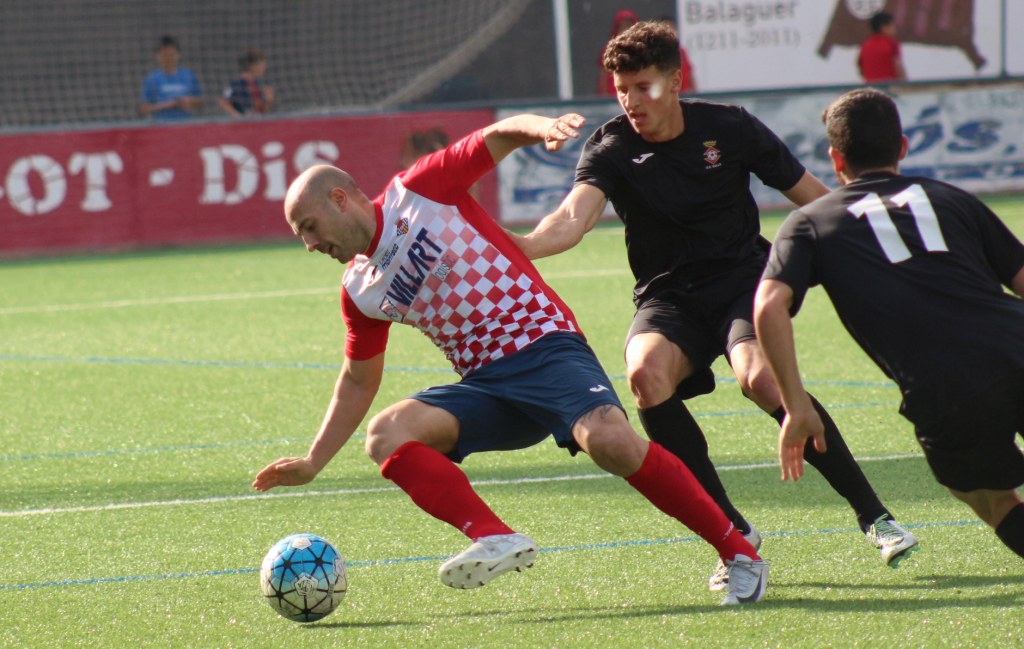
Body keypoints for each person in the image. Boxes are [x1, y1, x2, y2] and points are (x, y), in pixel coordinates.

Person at [251, 113, 769, 605]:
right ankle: (494, 536)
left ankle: (739, 552)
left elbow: (496, 136)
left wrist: (543, 128)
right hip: (487, 387)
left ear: (340, 199)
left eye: (309, 226)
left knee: (611, 442)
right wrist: (313, 461)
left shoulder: (419, 191)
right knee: (386, 435)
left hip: (545, 347)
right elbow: (357, 380)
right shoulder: (359, 290)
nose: (310, 244)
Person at [509, 21, 918, 592]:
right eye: (622, 89)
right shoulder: (611, 146)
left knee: (760, 379)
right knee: (644, 375)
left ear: (675, 81)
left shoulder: (729, 127)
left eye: (643, 86)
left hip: (743, 283)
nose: (631, 101)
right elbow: (572, 217)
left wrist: (873, 236)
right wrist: (520, 247)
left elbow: (809, 195)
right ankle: (732, 532)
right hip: (667, 296)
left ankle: (875, 516)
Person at [755, 88, 1024, 561]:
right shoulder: (952, 198)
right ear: (901, 146)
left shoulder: (810, 222)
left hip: (949, 387)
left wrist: (796, 406)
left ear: (835, 158)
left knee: (988, 497)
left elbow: (768, 307)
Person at [138, 35, 203, 120]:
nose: (168, 59)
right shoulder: (152, 79)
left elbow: (200, 101)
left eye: (171, 55)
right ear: (158, 56)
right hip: (161, 124)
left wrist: (188, 101)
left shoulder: (188, 76)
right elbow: (143, 109)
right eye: (165, 55)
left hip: (185, 124)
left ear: (178, 55)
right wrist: (169, 104)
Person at [218, 48, 275, 117]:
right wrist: (238, 117)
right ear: (252, 66)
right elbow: (223, 101)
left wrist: (268, 101)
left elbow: (263, 111)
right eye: (262, 64)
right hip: (245, 122)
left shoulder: (257, 84)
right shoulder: (238, 83)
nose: (264, 67)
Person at [596, 10, 638, 96]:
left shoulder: (641, 50)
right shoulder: (609, 50)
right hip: (613, 98)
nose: (626, 30)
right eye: (623, 26)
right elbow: (603, 79)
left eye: (629, 26)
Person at [857, 12, 906, 84]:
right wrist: (905, 83)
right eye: (892, 25)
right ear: (884, 28)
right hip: (890, 85)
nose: (895, 28)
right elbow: (898, 67)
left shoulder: (865, 45)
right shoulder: (891, 43)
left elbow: (860, 67)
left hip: (871, 86)